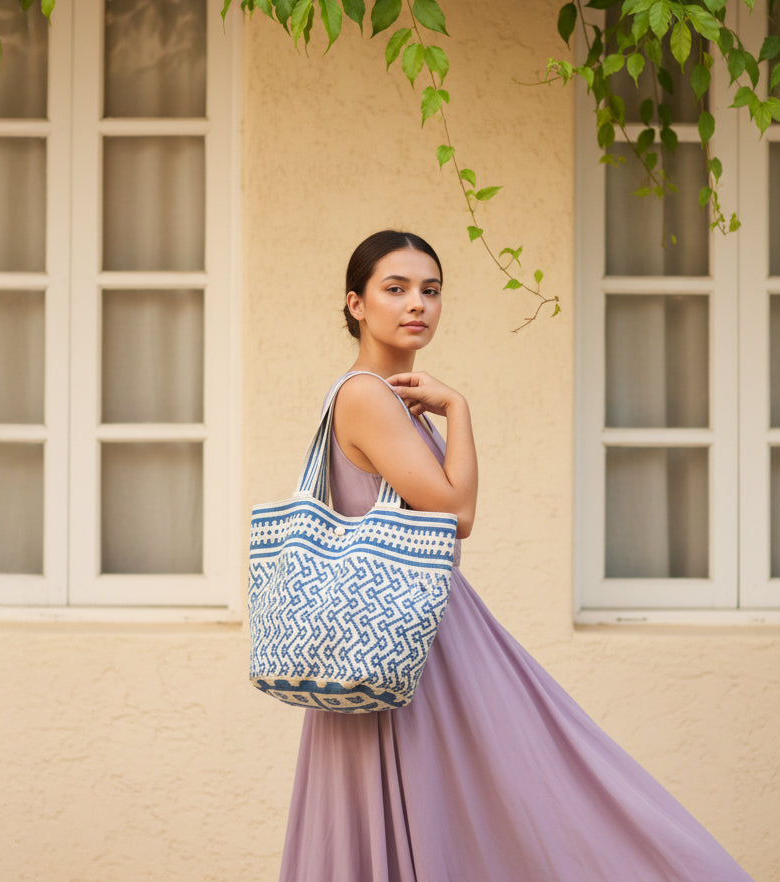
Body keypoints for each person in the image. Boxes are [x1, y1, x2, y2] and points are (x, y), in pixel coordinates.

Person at [278, 230, 753, 882]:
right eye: (396, 289)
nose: (417, 304)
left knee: (489, 798)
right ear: (356, 304)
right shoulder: (367, 395)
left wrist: (445, 408)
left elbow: (446, 508)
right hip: (408, 637)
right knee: (549, 785)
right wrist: (459, 409)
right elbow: (458, 513)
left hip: (396, 637)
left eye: (431, 290)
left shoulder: (391, 397)